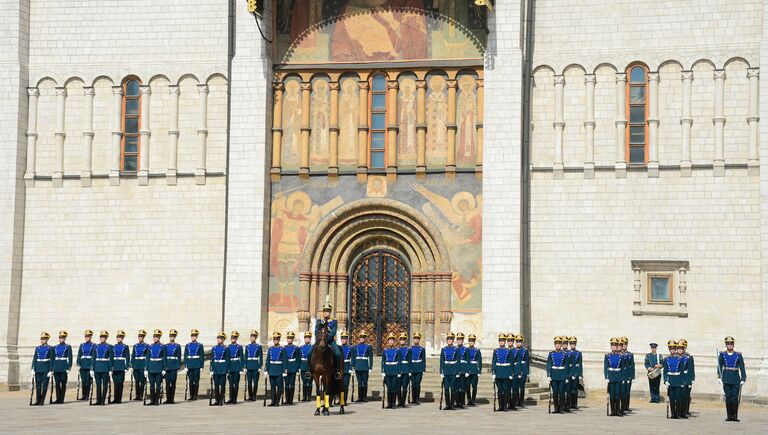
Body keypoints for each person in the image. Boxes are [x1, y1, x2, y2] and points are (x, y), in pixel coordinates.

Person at [718, 336, 746, 422]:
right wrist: (719, 377)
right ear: (726, 345)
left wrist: (743, 378)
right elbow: (719, 366)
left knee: (735, 397)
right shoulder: (722, 355)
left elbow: (742, 367)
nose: (729, 345)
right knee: (728, 397)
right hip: (726, 378)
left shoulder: (738, 355)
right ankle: (729, 416)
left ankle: (735, 416)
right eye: (728, 344)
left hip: (735, 378)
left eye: (731, 343)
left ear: (733, 345)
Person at [315, 301, 342, 379]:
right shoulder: (319, 321)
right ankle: (309, 370)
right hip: (319, 342)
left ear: (330, 312)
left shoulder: (334, 322)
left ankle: (337, 371)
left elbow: (333, 332)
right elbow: (316, 331)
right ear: (323, 312)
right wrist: (320, 339)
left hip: (330, 342)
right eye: (325, 311)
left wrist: (326, 339)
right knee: (310, 352)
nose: (326, 313)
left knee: (337, 354)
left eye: (328, 311)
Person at [663, 340, 687, 419]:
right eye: (671, 349)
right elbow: (665, 371)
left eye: (673, 349)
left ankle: (677, 413)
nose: (672, 350)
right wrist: (666, 380)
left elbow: (682, 371)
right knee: (672, 398)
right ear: (669, 350)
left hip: (678, 379)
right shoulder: (666, 359)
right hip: (670, 379)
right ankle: (673, 414)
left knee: (678, 398)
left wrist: (683, 381)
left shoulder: (680, 359)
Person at [547, 336, 568, 414]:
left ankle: (561, 408)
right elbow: (548, 364)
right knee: (555, 392)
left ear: (561, 345)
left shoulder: (564, 354)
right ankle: (556, 408)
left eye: (559, 344)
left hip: (562, 375)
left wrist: (566, 376)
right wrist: (548, 375)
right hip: (554, 375)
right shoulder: (551, 354)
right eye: (557, 344)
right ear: (554, 345)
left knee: (561, 392)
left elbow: (566, 366)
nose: (558, 345)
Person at [31, 331, 53, 406]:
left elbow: (52, 360)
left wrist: (51, 370)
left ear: (47, 340)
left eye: (44, 339)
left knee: (45, 384)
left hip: (46, 368)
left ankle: (42, 400)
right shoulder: (37, 348)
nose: (42, 340)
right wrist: (33, 368)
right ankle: (38, 400)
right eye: (42, 339)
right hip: (38, 368)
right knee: (38, 385)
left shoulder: (50, 348)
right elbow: (34, 358)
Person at [265, 332, 287, 406]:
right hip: (272, 370)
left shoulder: (282, 349)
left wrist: (284, 370)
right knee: (272, 387)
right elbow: (268, 360)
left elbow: (285, 360)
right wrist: (266, 369)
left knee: (280, 387)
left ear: (279, 340)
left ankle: (277, 401)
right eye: (274, 339)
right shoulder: (270, 349)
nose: (275, 340)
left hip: (279, 370)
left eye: (277, 339)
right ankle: (273, 401)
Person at [604, 337, 624, 417]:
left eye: (615, 346)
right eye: (612, 345)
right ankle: (613, 411)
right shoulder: (607, 356)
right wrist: (606, 377)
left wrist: (622, 377)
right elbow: (606, 367)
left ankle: (618, 411)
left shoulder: (621, 356)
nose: (614, 347)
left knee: (617, 395)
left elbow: (622, 368)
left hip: (618, 376)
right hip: (611, 377)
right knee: (612, 395)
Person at [491, 333, 511, 412]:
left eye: (503, 341)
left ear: (505, 342)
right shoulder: (496, 351)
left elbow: (511, 363)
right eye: (500, 341)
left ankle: (505, 406)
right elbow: (494, 362)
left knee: (505, 389)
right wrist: (493, 373)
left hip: (505, 372)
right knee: (499, 390)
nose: (501, 342)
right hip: (498, 372)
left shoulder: (508, 351)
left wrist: (510, 373)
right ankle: (500, 406)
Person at [51, 330, 72, 404]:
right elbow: (52, 358)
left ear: (65, 338)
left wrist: (69, 367)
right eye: (60, 338)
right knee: (57, 384)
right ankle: (57, 398)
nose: (61, 339)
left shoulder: (68, 347)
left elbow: (70, 357)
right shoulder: (55, 347)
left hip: (63, 366)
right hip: (56, 366)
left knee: (63, 384)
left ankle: (61, 399)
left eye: (62, 338)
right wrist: (52, 368)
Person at [146, 329, 166, 406]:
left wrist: (164, 368)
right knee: (151, 385)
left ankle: (156, 400)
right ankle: (152, 400)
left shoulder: (163, 346)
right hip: (151, 367)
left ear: (159, 338)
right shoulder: (150, 346)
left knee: (158, 385)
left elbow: (164, 358)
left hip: (159, 367)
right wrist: (146, 368)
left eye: (156, 337)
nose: (155, 338)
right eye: (154, 337)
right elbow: (147, 358)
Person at [183, 329, 204, 401]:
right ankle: (191, 395)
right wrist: (186, 365)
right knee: (191, 380)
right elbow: (185, 356)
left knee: (196, 380)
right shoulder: (187, 345)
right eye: (192, 335)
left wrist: (201, 366)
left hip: (197, 364)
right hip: (190, 364)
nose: (193, 337)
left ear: (196, 336)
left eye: (194, 336)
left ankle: (195, 395)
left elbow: (202, 356)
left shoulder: (200, 345)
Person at [93, 330, 113, 406]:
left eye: (103, 337)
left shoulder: (109, 347)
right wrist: (92, 368)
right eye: (101, 337)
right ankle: (98, 400)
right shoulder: (96, 346)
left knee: (105, 385)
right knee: (98, 385)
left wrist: (110, 369)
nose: (102, 338)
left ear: (106, 338)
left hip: (105, 367)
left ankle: (103, 400)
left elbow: (111, 358)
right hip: (97, 367)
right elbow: (93, 358)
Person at [439, 331, 458, 411]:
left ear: (453, 340)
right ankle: (447, 404)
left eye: (451, 339)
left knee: (453, 388)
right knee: (446, 388)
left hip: (453, 370)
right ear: (447, 340)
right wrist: (441, 372)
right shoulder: (443, 349)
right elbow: (441, 361)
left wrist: (457, 372)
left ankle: (452, 405)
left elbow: (458, 361)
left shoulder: (456, 349)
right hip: (446, 370)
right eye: (448, 339)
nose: (449, 340)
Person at [381, 333, 400, 409]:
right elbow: (383, 362)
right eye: (390, 340)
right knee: (389, 388)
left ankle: (393, 403)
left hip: (395, 370)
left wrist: (399, 372)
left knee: (394, 388)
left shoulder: (397, 351)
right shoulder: (385, 351)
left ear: (394, 342)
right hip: (387, 370)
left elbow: (399, 362)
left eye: (392, 340)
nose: (391, 342)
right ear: (388, 342)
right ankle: (389, 403)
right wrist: (382, 371)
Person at [210, 332, 229, 406]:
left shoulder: (226, 348)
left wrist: (227, 370)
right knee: (216, 385)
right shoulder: (214, 348)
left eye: (220, 338)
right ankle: (217, 400)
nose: (218, 339)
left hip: (223, 368)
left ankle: (221, 399)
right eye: (218, 338)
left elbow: (227, 360)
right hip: (216, 368)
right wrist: (211, 369)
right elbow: (212, 359)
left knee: (222, 385)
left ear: (223, 339)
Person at [76, 330, 96, 401]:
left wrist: (92, 367)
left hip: (89, 364)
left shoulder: (94, 345)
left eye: (88, 336)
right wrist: (78, 363)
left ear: (91, 337)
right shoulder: (82, 345)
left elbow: (94, 357)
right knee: (83, 381)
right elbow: (79, 355)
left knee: (88, 381)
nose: (87, 338)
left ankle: (87, 395)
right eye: (86, 336)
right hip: (83, 364)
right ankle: (83, 395)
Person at [111, 330, 130, 404]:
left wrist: (127, 366)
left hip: (121, 366)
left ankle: (119, 399)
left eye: (120, 337)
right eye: (118, 337)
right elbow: (112, 357)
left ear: (123, 338)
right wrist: (111, 366)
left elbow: (127, 357)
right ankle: (115, 398)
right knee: (115, 383)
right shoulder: (113, 346)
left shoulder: (125, 346)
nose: (119, 338)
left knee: (120, 383)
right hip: (115, 366)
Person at [226, 331, 244, 404]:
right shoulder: (228, 347)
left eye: (234, 337)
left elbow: (242, 358)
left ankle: (235, 399)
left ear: (236, 338)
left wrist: (241, 368)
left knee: (236, 383)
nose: (233, 338)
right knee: (230, 384)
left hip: (236, 366)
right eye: (232, 337)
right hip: (230, 366)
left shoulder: (239, 347)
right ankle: (231, 398)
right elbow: (226, 358)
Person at [244, 330, 263, 402]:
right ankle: (250, 396)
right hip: (249, 365)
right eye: (251, 337)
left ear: (256, 338)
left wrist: (260, 366)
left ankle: (254, 396)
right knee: (249, 382)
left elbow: (260, 356)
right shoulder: (247, 346)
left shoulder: (258, 346)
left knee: (255, 382)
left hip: (255, 365)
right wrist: (245, 366)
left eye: (253, 337)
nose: (252, 338)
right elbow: (245, 356)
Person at [130, 330, 148, 401]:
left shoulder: (146, 346)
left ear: (143, 337)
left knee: (142, 380)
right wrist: (132, 365)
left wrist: (146, 366)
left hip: (142, 364)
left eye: (141, 336)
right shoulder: (135, 346)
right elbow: (133, 356)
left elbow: (147, 356)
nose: (140, 338)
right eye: (139, 336)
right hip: (136, 364)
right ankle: (137, 395)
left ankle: (142, 394)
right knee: (137, 381)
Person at [679, 338, 694, 416]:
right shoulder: (676, 356)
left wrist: (691, 379)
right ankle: (680, 410)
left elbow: (691, 369)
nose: (681, 349)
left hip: (686, 377)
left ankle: (685, 410)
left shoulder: (688, 356)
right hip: (679, 378)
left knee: (686, 395)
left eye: (683, 347)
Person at [465, 333, 482, 406]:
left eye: (472, 341)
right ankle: (469, 400)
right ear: (468, 342)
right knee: (467, 385)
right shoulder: (466, 350)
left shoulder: (477, 350)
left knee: (474, 386)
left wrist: (479, 370)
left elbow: (479, 361)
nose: (471, 342)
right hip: (468, 369)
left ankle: (473, 400)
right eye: (470, 341)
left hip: (474, 369)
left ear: (474, 342)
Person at [619, 337, 635, 413]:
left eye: (625, 344)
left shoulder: (630, 354)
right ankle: (621, 406)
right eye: (623, 344)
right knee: (622, 392)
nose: (624, 345)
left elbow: (632, 365)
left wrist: (632, 376)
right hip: (621, 375)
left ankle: (626, 406)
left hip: (628, 375)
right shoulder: (619, 354)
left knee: (627, 392)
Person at [284, 331, 300, 404]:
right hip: (286, 367)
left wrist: (297, 369)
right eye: (288, 338)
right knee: (286, 385)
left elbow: (297, 359)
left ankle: (291, 400)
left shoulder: (296, 348)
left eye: (290, 338)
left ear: (292, 339)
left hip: (293, 367)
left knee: (292, 384)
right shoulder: (284, 348)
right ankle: (287, 399)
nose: (289, 340)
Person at [409, 332, 425, 404]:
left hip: (419, 368)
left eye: (417, 338)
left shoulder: (422, 349)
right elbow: (409, 359)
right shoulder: (410, 348)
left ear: (419, 340)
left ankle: (417, 399)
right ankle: (413, 399)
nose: (416, 340)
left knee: (417, 384)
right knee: (413, 384)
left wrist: (423, 369)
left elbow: (423, 359)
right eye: (415, 338)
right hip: (412, 367)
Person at [568, 336, 582, 410]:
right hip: (569, 371)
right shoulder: (568, 352)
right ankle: (570, 403)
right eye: (571, 344)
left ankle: (575, 404)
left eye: (574, 343)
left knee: (575, 389)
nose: (572, 345)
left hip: (576, 371)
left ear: (575, 344)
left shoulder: (578, 353)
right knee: (569, 389)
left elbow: (580, 364)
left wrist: (580, 374)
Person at [397, 332, 411, 407]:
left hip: (405, 369)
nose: (402, 341)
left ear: (405, 341)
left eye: (404, 339)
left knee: (405, 387)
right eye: (401, 339)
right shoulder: (396, 349)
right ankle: (399, 401)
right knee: (398, 387)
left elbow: (410, 360)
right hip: (398, 369)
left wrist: (410, 371)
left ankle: (403, 402)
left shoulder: (408, 350)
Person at [338, 332, 353, 406]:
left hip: (347, 367)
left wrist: (351, 368)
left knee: (345, 385)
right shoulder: (338, 348)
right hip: (339, 368)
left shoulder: (350, 348)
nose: (343, 340)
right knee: (339, 385)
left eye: (345, 339)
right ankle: (340, 399)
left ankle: (345, 400)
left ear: (347, 339)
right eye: (342, 339)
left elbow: (352, 359)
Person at [515, 334, 529, 407]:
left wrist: (527, 373)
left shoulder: (525, 351)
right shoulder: (514, 350)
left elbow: (527, 362)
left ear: (522, 342)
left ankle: (521, 401)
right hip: (516, 369)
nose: (518, 343)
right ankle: (517, 401)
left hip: (523, 369)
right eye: (517, 341)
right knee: (516, 386)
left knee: (522, 386)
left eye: (520, 341)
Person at [299, 331, 314, 402]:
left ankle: (309, 396)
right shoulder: (301, 348)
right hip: (303, 366)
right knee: (304, 382)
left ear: (310, 339)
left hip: (310, 366)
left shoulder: (312, 347)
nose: (306, 339)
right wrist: (299, 367)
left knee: (309, 382)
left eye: (308, 338)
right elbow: (299, 358)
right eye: (305, 338)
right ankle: (304, 396)